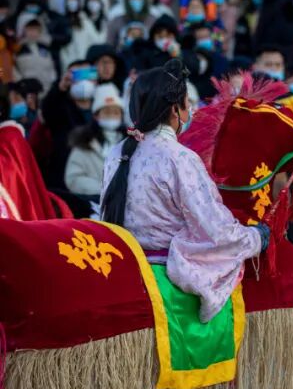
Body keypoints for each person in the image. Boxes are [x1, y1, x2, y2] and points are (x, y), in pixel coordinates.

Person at [99, 59, 269, 322]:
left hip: (124, 272)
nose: (191, 111)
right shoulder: (179, 157)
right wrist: (256, 237)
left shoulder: (115, 152)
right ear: (175, 109)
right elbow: (217, 231)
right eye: (188, 104)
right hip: (166, 281)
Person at [64, 83, 125, 207]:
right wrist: (102, 188)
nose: (112, 116)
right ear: (96, 115)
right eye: (107, 112)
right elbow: (73, 178)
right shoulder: (84, 143)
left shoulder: (130, 142)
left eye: (116, 112)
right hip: (94, 205)